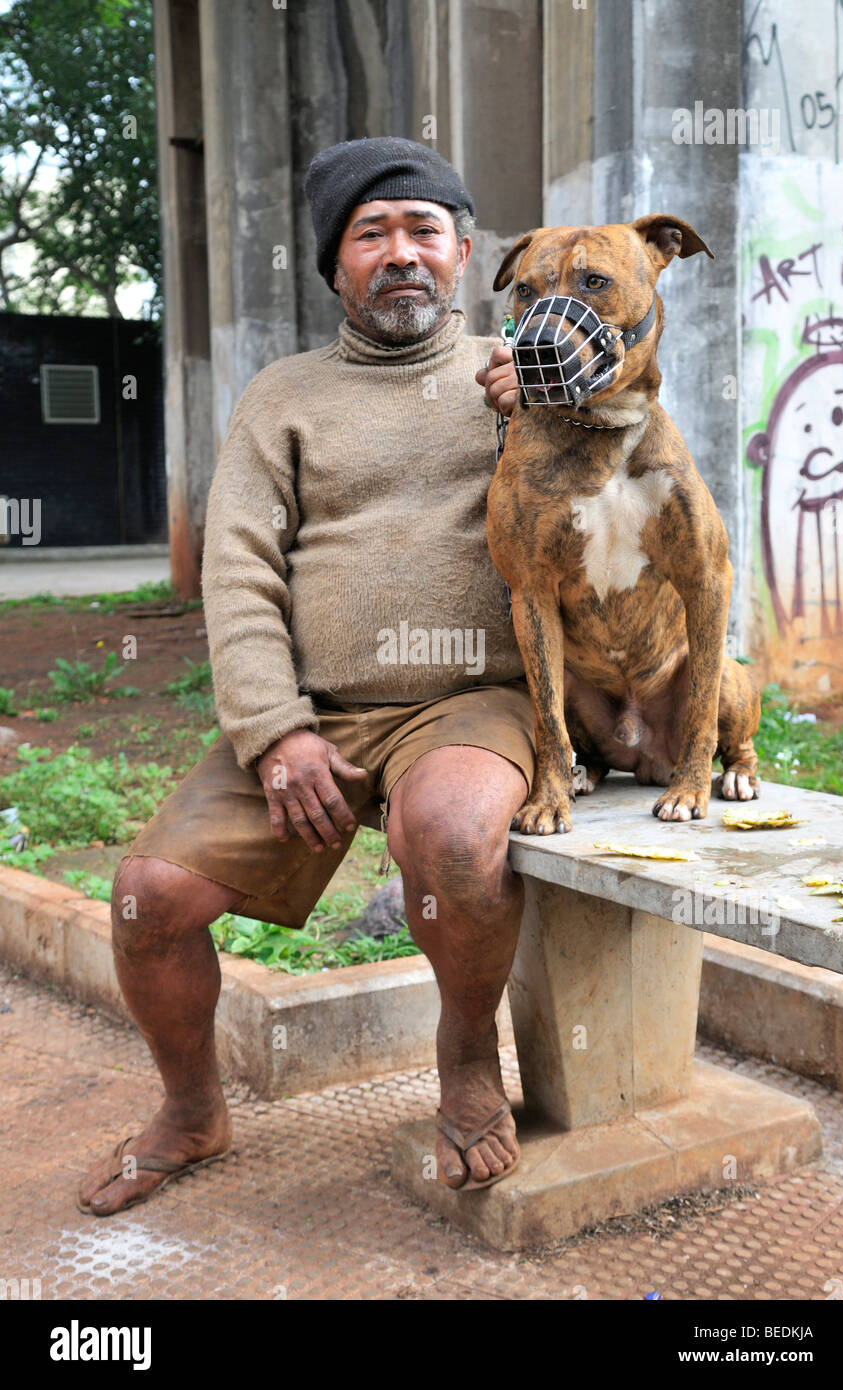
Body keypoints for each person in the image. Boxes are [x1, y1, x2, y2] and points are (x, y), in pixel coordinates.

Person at [78, 136, 530, 1215]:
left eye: (424, 231)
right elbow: (234, 571)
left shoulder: (520, 374)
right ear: (335, 268)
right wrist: (274, 731)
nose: (401, 255)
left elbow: (633, 502)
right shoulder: (283, 394)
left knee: (458, 839)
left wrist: (567, 414)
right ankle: (193, 1107)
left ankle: (467, 1055)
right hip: (311, 710)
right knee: (148, 899)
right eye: (370, 236)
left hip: (472, 700)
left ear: (463, 253)